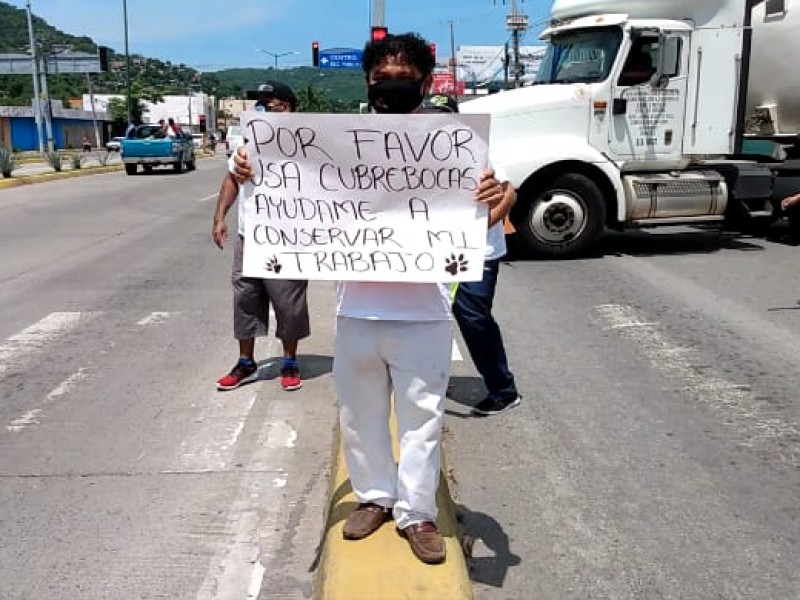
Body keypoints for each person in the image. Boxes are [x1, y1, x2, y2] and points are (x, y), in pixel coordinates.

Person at [232, 35, 507, 564]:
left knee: (421, 421)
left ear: (426, 84)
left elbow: (485, 239)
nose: (392, 88)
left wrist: (500, 198)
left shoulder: (456, 147)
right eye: (382, 80)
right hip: (355, 313)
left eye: (404, 79)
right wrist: (248, 173)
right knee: (359, 417)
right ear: (367, 83)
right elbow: (275, 203)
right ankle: (375, 498)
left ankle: (418, 513)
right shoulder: (332, 143)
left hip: (423, 318)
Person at [425, 94, 521, 416]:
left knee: (474, 318)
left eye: (445, 116)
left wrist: (478, 229)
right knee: (429, 319)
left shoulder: (479, 152)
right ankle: (429, 381)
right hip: (435, 252)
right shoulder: (417, 157)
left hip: (479, 252)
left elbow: (510, 193)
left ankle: (503, 389)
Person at [213, 80, 309, 392]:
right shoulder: (246, 145)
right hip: (249, 235)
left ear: (289, 108)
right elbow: (231, 180)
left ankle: (290, 360)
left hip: (288, 238)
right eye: (261, 105)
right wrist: (220, 218)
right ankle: (245, 361)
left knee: (288, 301)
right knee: (245, 297)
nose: (265, 110)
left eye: (273, 104)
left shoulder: (307, 144)